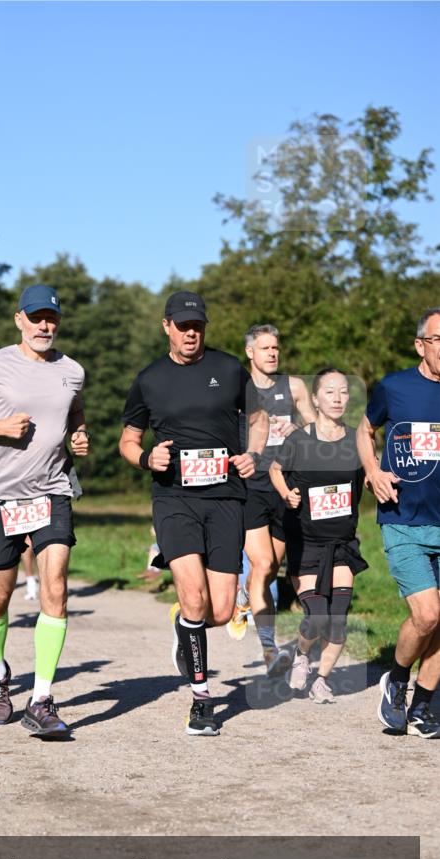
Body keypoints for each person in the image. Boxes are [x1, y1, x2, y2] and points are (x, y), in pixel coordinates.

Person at [119, 290, 267, 736]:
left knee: (220, 612)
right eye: (182, 325)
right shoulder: (149, 379)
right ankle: (202, 701)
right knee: (195, 598)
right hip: (174, 499)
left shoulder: (227, 368)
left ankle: (186, 631)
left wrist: (253, 454)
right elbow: (128, 439)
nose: (190, 332)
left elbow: (258, 419)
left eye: (197, 326)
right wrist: (147, 459)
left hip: (225, 497)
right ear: (166, 326)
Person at [0, 284, 89, 736]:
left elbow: (74, 413)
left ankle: (43, 699)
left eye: (51, 317)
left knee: (55, 585)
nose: (44, 325)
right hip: (0, 494)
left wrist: (79, 435)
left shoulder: (72, 370)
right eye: (36, 317)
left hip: (52, 491)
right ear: (19, 320)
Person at [357, 308, 440, 738]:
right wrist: (372, 470)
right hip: (404, 519)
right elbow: (364, 429)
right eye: (439, 339)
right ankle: (397, 680)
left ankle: (424, 706)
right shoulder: (396, 386)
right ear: (421, 345)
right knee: (427, 615)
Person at [270, 368, 367, 703]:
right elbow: (274, 469)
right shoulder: (300, 439)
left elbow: (371, 475)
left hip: (342, 543)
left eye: (343, 392)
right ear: (315, 398)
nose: (338, 398)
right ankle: (301, 653)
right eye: (330, 392)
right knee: (318, 616)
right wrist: (286, 493)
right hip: (306, 542)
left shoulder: (357, 439)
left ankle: (321, 679)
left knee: (337, 619)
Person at [228, 325, 316, 678]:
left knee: (270, 570)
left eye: (276, 348)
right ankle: (269, 650)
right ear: (250, 352)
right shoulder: (236, 388)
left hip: (285, 487)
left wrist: (298, 430)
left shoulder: (293, 386)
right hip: (251, 486)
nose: (272, 354)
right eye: (265, 348)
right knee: (263, 565)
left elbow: (316, 427)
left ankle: (244, 597)